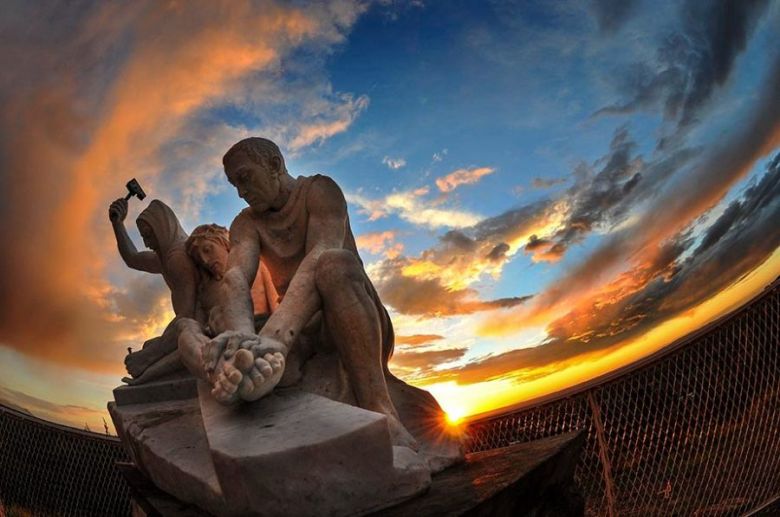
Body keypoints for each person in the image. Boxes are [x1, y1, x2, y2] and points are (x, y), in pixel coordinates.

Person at [178, 137, 417, 449]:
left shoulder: (319, 192)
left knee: (333, 265)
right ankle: (252, 376)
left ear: (275, 165)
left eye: (245, 178)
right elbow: (236, 276)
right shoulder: (246, 222)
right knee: (260, 365)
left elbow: (318, 258)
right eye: (234, 184)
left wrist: (275, 339)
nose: (240, 191)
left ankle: (380, 408)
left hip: (349, 313)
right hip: (302, 328)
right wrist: (244, 339)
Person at [109, 198, 198, 380]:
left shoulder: (177, 259)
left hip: (199, 327)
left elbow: (188, 318)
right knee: (148, 347)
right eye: (143, 237)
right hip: (186, 327)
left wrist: (147, 358)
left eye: (149, 235)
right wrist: (118, 223)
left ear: (162, 228)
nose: (147, 243)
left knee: (147, 355)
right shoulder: (164, 257)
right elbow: (132, 258)